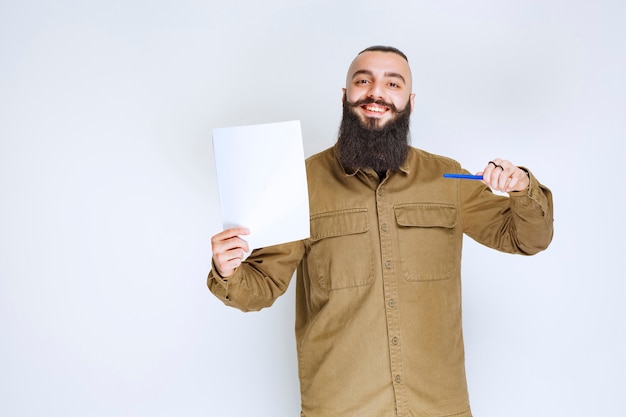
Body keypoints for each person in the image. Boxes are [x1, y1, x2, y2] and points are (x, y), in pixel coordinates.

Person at [208, 45, 554, 417]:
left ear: (410, 101)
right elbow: (259, 288)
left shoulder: (448, 178)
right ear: (345, 96)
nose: (376, 93)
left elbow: (527, 238)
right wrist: (228, 271)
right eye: (363, 80)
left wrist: (521, 190)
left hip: (437, 406)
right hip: (341, 406)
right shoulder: (300, 183)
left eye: (393, 83)